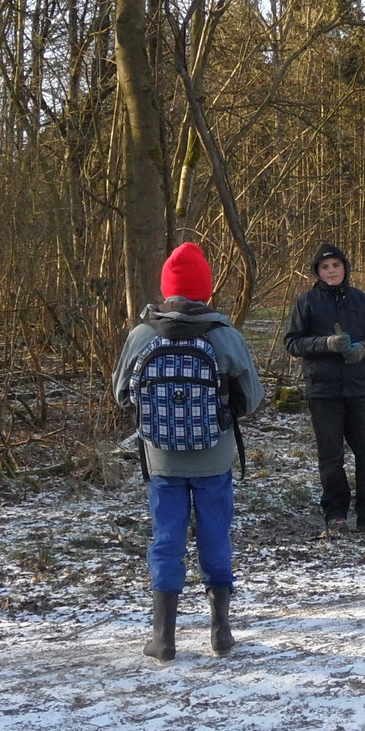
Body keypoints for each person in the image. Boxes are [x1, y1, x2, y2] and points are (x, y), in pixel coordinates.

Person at [113, 242, 264, 660]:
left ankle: (163, 638)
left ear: (167, 291)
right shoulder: (225, 336)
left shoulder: (142, 335)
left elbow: (122, 395)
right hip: (214, 457)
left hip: (161, 459)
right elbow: (251, 400)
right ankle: (221, 632)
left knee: (166, 540)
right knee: (215, 535)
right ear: (206, 291)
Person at [282, 241, 365, 532]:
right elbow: (292, 342)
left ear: (345, 267)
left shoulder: (360, 300)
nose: (331, 271)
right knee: (331, 457)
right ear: (317, 272)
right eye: (325, 267)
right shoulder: (306, 302)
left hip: (357, 389)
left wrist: (363, 349)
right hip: (323, 390)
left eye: (336, 265)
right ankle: (336, 513)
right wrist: (325, 344)